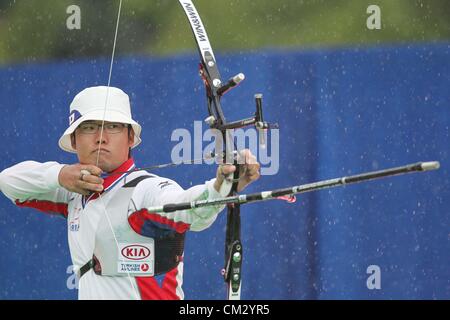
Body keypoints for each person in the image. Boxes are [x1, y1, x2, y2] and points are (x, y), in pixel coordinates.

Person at [0, 86, 260, 300]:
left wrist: (221, 187)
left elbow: (190, 210)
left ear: (129, 137)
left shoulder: (145, 189)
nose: (100, 138)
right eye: (89, 127)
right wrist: (59, 175)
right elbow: (8, 181)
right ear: (75, 140)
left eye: (112, 126)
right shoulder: (72, 195)